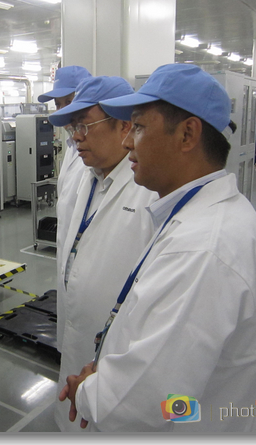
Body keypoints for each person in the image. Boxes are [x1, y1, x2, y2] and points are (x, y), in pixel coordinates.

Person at [60, 63, 256, 432]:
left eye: (139, 127)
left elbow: (148, 403)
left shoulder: (204, 249)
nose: (128, 142)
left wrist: (89, 391)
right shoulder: (198, 216)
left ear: (187, 134)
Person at [48, 76, 157, 432]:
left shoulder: (149, 191)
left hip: (117, 352)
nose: (76, 137)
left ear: (124, 126)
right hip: (77, 336)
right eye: (73, 128)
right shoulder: (87, 175)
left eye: (84, 125)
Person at [38, 65, 92, 277]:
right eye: (58, 104)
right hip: (66, 254)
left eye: (69, 102)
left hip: (85, 260)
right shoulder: (71, 147)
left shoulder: (95, 153)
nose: (62, 110)